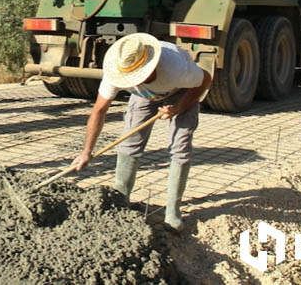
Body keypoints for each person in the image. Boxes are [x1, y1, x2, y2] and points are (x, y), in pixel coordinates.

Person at [71, 33, 212, 231]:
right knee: (129, 143)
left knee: (180, 146)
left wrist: (179, 107)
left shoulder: (175, 68)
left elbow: (205, 80)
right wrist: (87, 151)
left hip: (181, 92)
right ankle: (121, 200)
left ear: (150, 67)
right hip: (144, 95)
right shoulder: (116, 71)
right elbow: (99, 110)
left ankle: (172, 211)